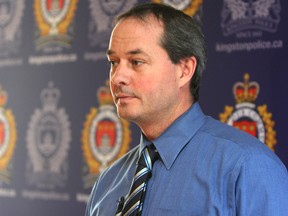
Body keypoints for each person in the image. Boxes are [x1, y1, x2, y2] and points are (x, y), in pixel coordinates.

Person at [85, 3, 288, 216]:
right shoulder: (107, 183)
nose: (117, 77)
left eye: (136, 62)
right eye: (113, 62)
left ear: (184, 70)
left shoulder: (246, 168)